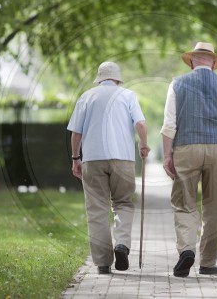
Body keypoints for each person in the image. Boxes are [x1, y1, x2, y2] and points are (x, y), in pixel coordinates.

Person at [161, 42, 217, 277]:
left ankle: (187, 250)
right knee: (214, 205)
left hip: (185, 147)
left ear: (192, 62)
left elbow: (168, 126)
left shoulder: (177, 84)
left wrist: (167, 155)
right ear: (213, 63)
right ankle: (208, 262)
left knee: (184, 202)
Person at [67, 61, 150, 275]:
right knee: (123, 202)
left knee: (97, 209)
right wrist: (143, 144)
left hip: (93, 159)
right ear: (118, 78)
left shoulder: (86, 96)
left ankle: (103, 263)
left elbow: (76, 133)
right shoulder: (128, 95)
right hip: (123, 159)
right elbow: (140, 124)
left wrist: (76, 158)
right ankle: (121, 243)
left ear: (99, 78)